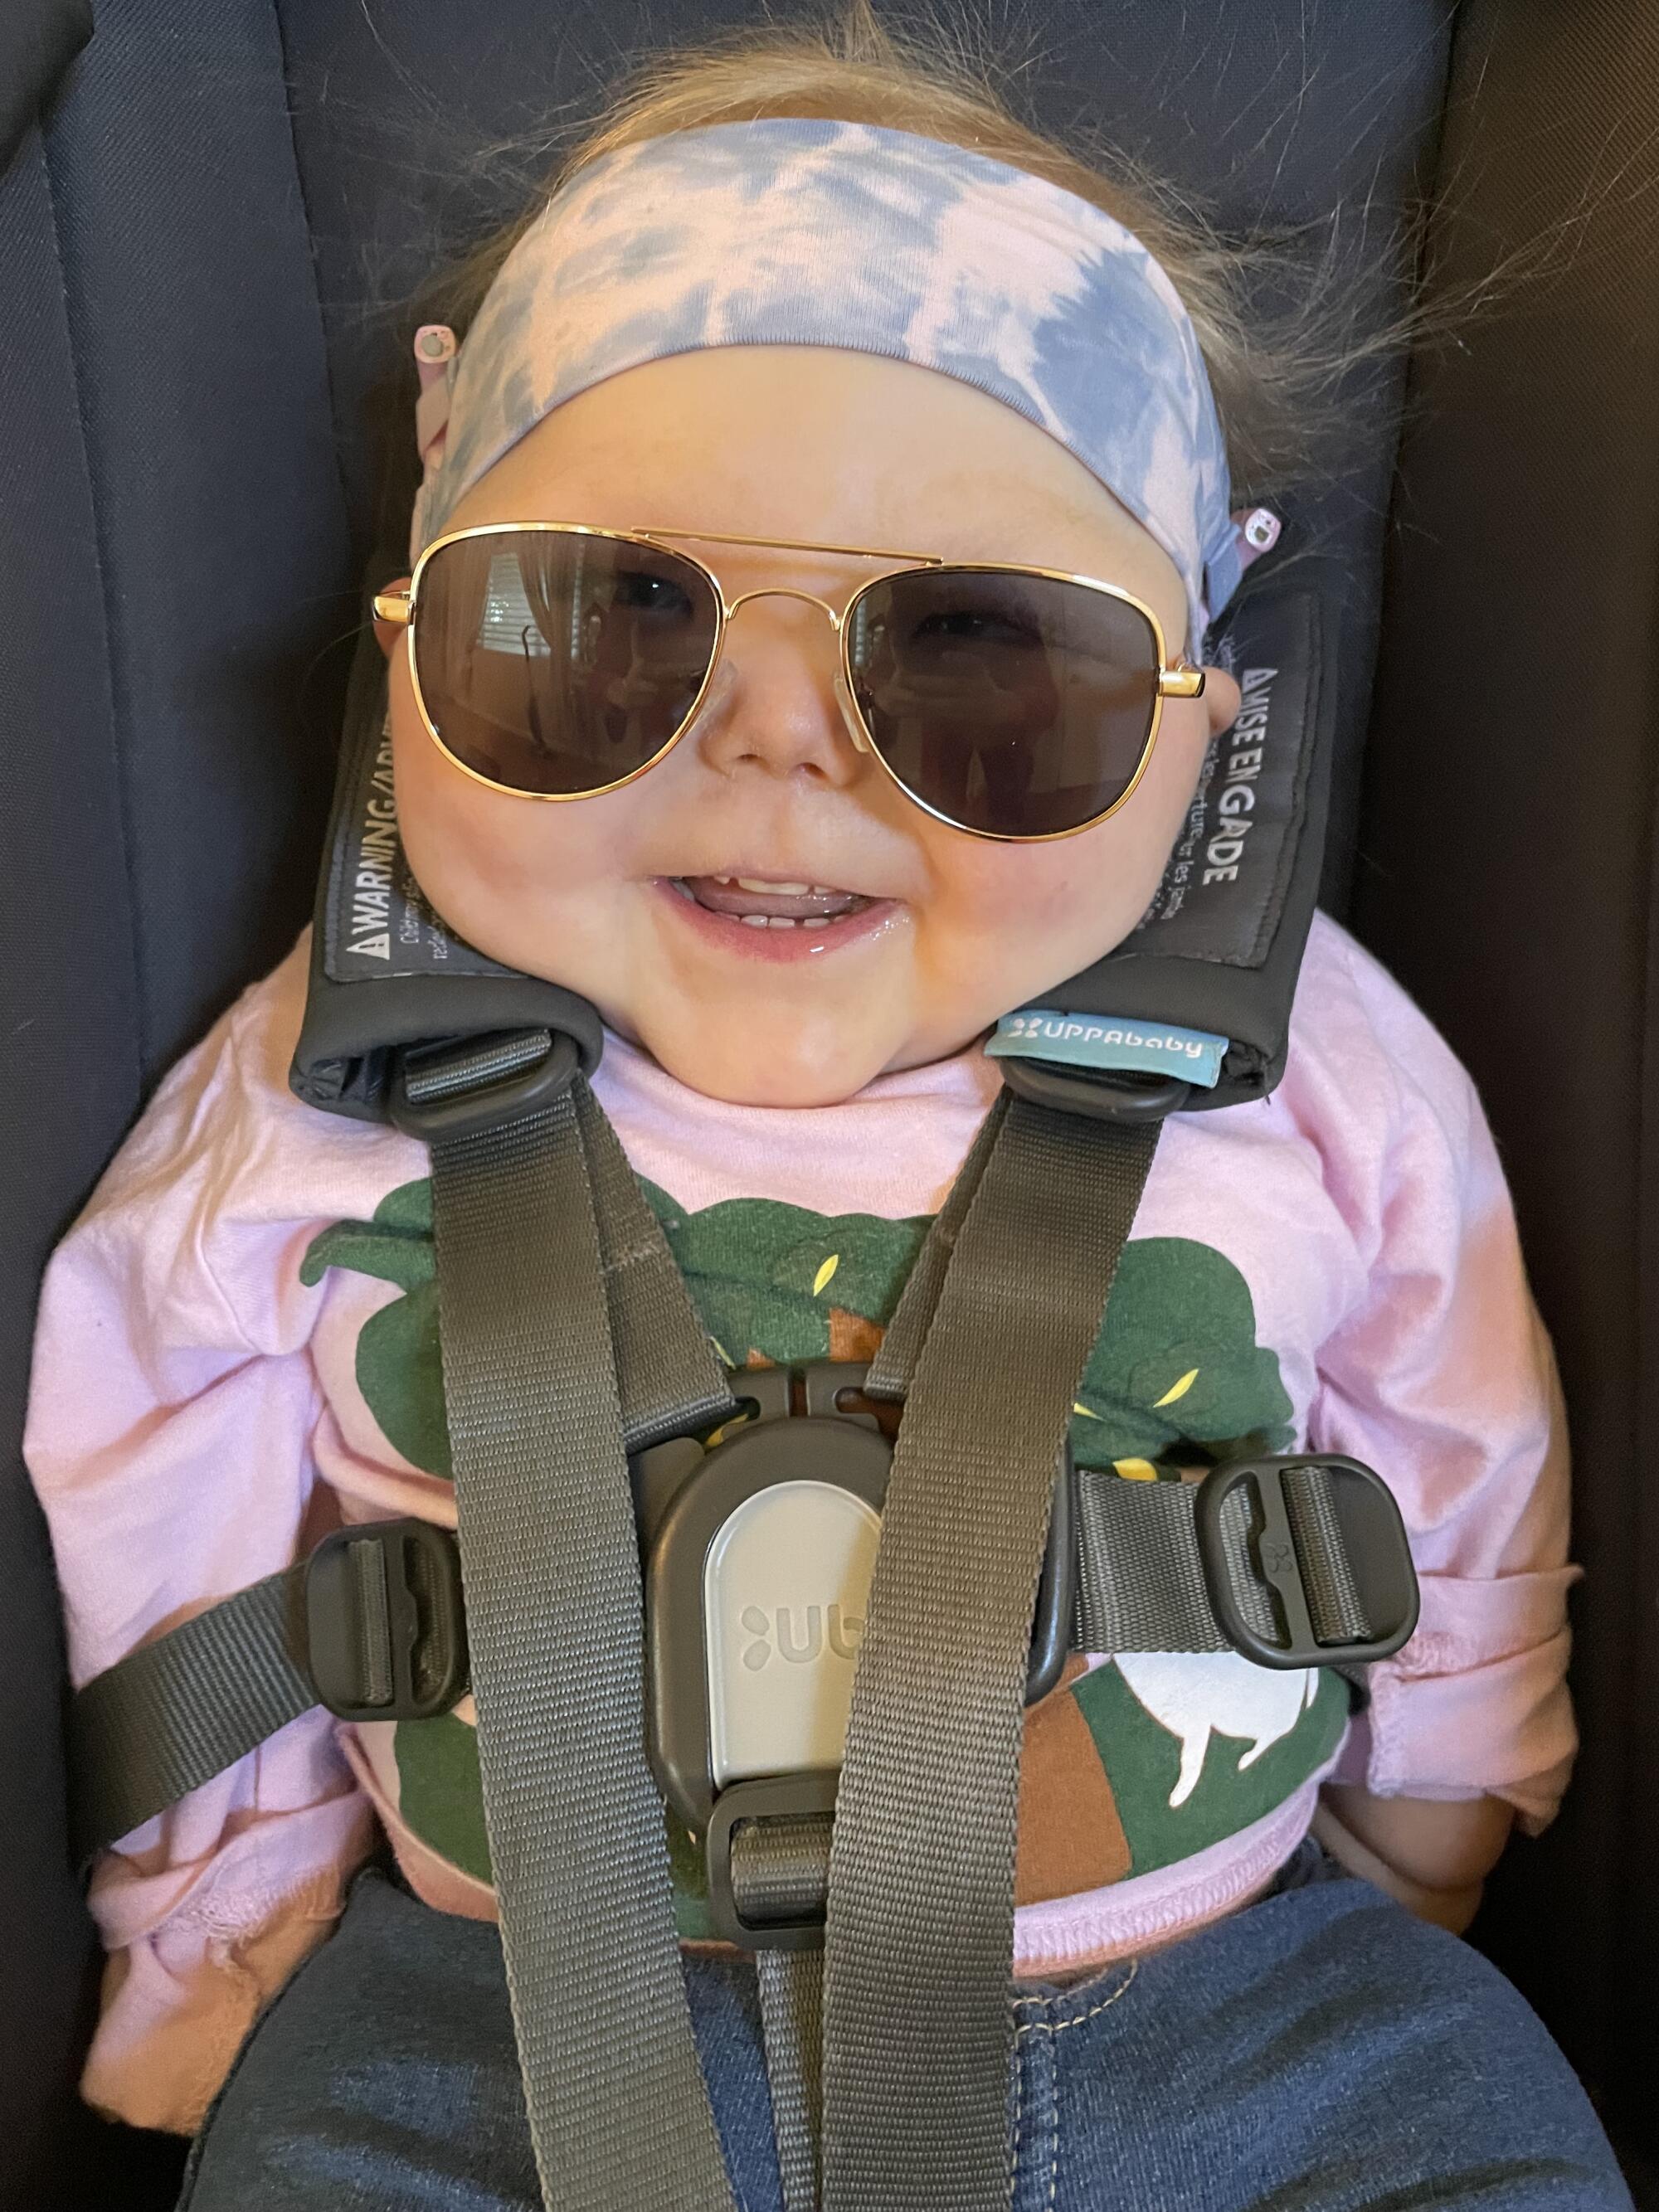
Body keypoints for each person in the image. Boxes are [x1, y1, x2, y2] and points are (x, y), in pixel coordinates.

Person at [20, 8, 1633, 2207]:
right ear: (407, 642)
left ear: (1201, 733)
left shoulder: (1313, 1066)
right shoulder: (335, 1073)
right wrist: (226, 1921)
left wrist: (1449, 1781)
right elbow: (159, 1448)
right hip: (486, 2025)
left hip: (1253, 2016)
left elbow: (1454, 1424)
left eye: (980, 659)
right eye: (597, 624)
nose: (781, 747)